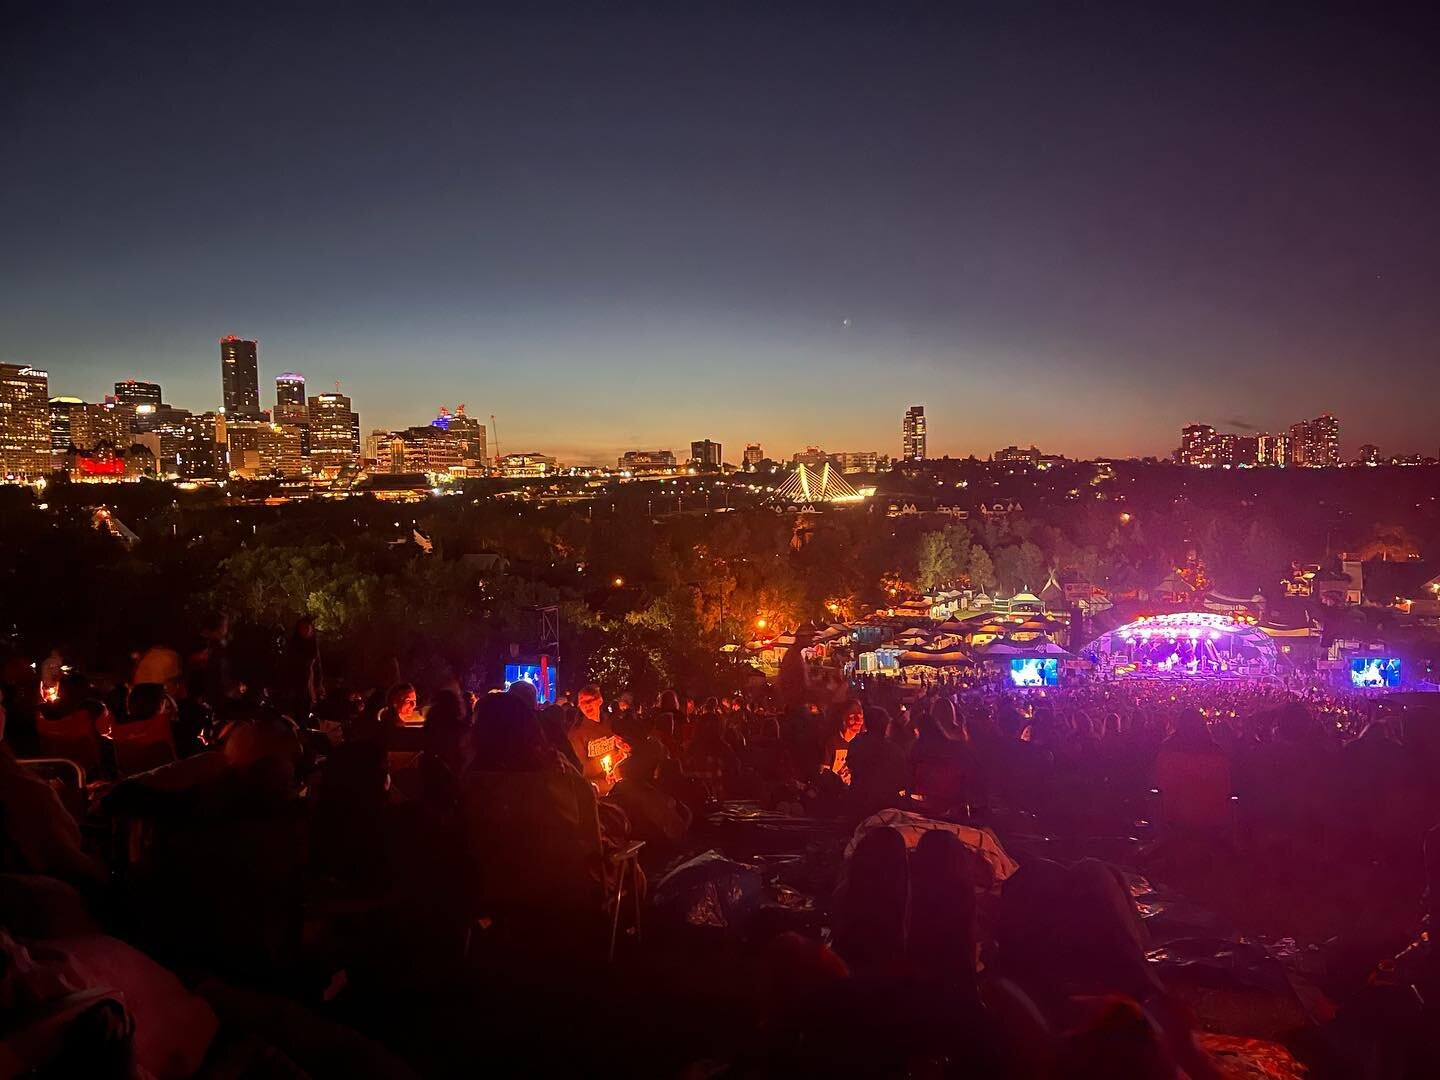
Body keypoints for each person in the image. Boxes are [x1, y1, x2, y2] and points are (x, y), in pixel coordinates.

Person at [567, 684, 627, 793]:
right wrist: (610, 762)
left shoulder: (611, 723)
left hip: (617, 778)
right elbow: (582, 769)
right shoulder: (577, 733)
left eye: (590, 700)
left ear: (599, 700)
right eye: (582, 702)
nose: (586, 705)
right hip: (595, 786)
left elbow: (622, 748)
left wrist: (622, 752)